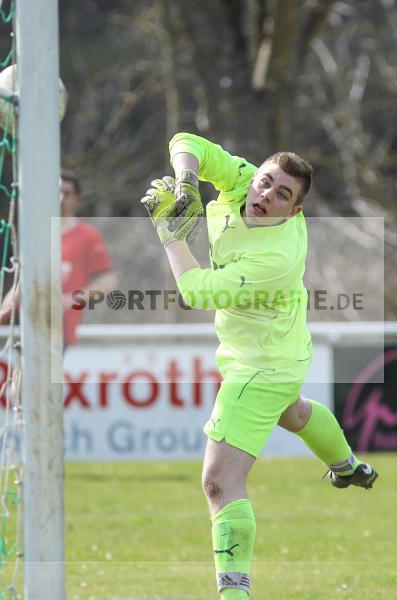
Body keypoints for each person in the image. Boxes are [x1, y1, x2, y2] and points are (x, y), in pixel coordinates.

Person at [141, 132, 378, 599]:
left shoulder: (276, 257)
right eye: (265, 182)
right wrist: (188, 183)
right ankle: (347, 465)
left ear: (295, 211)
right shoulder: (245, 184)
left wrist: (170, 234)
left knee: (219, 480)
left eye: (281, 194)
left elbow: (196, 292)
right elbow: (186, 140)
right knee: (294, 414)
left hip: (261, 367)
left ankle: (234, 595)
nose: (265, 194)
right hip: (284, 351)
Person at [0, 170, 117, 347]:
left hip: (62, 328)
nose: (61, 198)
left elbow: (108, 281)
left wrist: (70, 300)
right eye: (57, 192)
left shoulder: (87, 236)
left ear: (77, 199)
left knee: (45, 373)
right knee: (27, 374)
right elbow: (24, 284)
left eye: (67, 193)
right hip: (30, 323)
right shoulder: (38, 234)